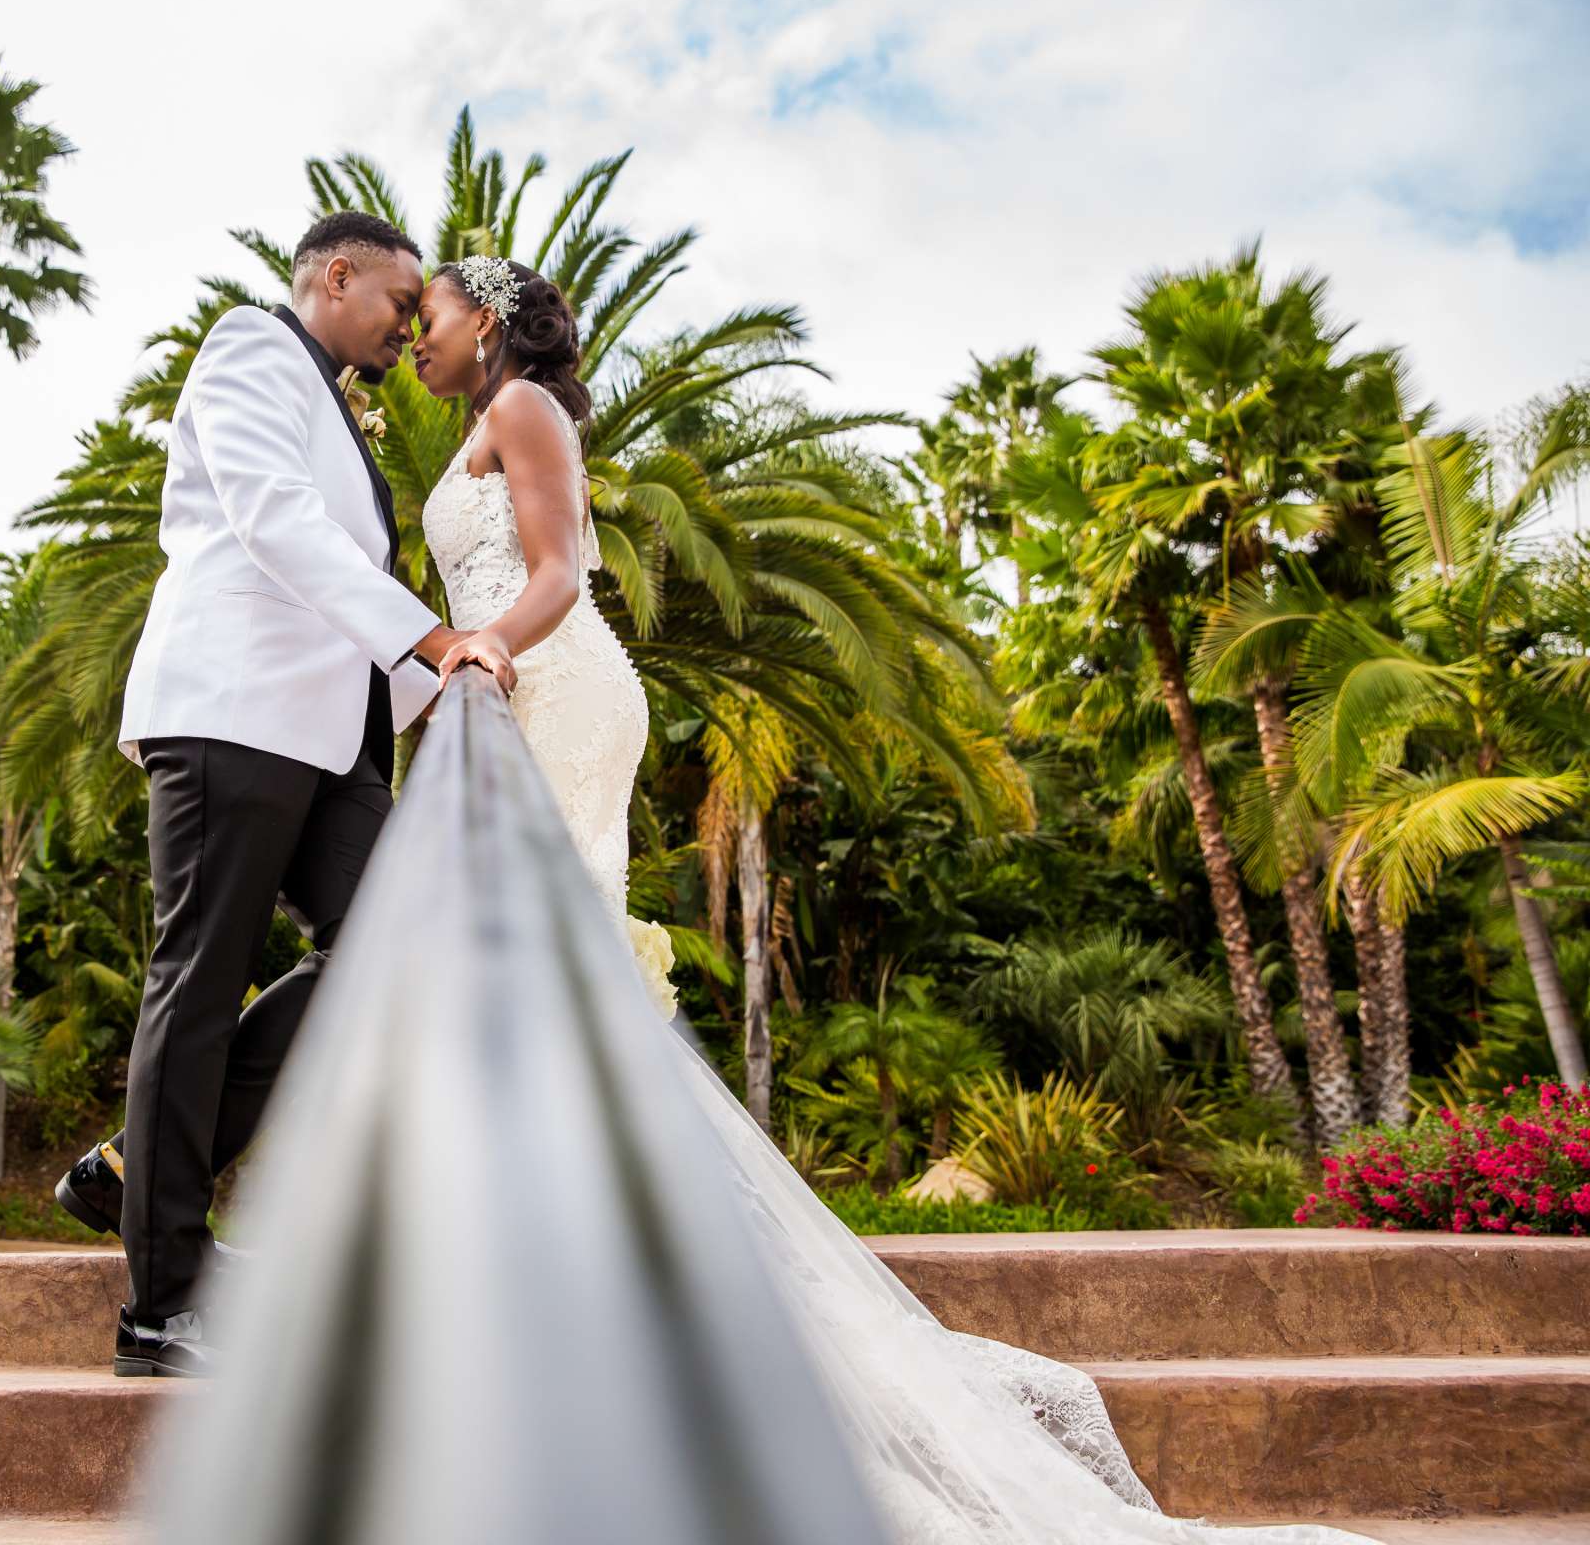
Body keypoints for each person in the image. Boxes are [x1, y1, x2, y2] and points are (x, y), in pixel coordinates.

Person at [407, 251, 1377, 1544]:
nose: (418, 336)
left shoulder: (523, 412)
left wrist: (487, 649)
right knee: (534, 985)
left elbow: (555, 578)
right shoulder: (479, 419)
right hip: (526, 691)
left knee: (548, 981)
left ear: (491, 320)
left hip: (564, 689)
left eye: (430, 316)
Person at [52, 212, 514, 1378]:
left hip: (330, 742)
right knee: (198, 980)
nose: (410, 325)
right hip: (233, 717)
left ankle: (134, 1170)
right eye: (401, 303)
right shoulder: (251, 346)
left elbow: (335, 557)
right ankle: (162, 1303)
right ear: (336, 276)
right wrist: (432, 637)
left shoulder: (333, 397)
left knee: (393, 950)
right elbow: (273, 518)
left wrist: (435, 681)